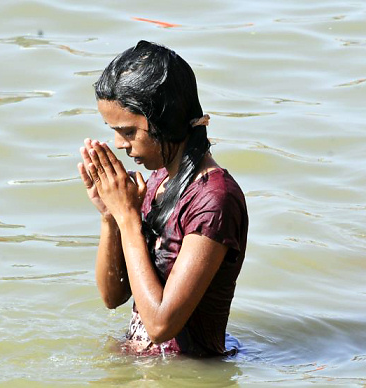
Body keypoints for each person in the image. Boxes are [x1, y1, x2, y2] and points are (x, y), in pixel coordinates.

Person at [77, 40, 248, 357]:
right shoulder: (159, 181)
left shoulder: (215, 200)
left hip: (187, 373)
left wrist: (128, 218)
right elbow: (113, 296)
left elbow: (160, 326)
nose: (119, 144)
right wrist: (110, 217)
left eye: (128, 132)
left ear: (164, 122)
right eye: (113, 130)